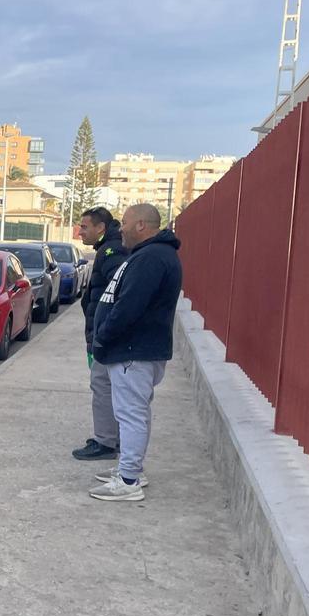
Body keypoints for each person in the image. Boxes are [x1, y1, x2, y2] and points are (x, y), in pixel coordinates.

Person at [88, 203, 183, 502]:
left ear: (142, 225)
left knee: (131, 415)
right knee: (134, 413)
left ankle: (129, 480)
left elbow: (128, 307)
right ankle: (132, 470)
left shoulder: (151, 259)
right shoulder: (149, 255)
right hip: (135, 349)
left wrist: (103, 337)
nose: (121, 228)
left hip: (133, 350)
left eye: (126, 222)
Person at [72, 207, 128, 462]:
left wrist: (103, 331)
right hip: (100, 331)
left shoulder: (111, 251)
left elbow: (119, 293)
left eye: (84, 226)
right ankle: (110, 438)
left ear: (100, 228)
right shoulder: (108, 248)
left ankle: (106, 442)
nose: (80, 231)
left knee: (103, 387)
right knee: (106, 387)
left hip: (104, 335)